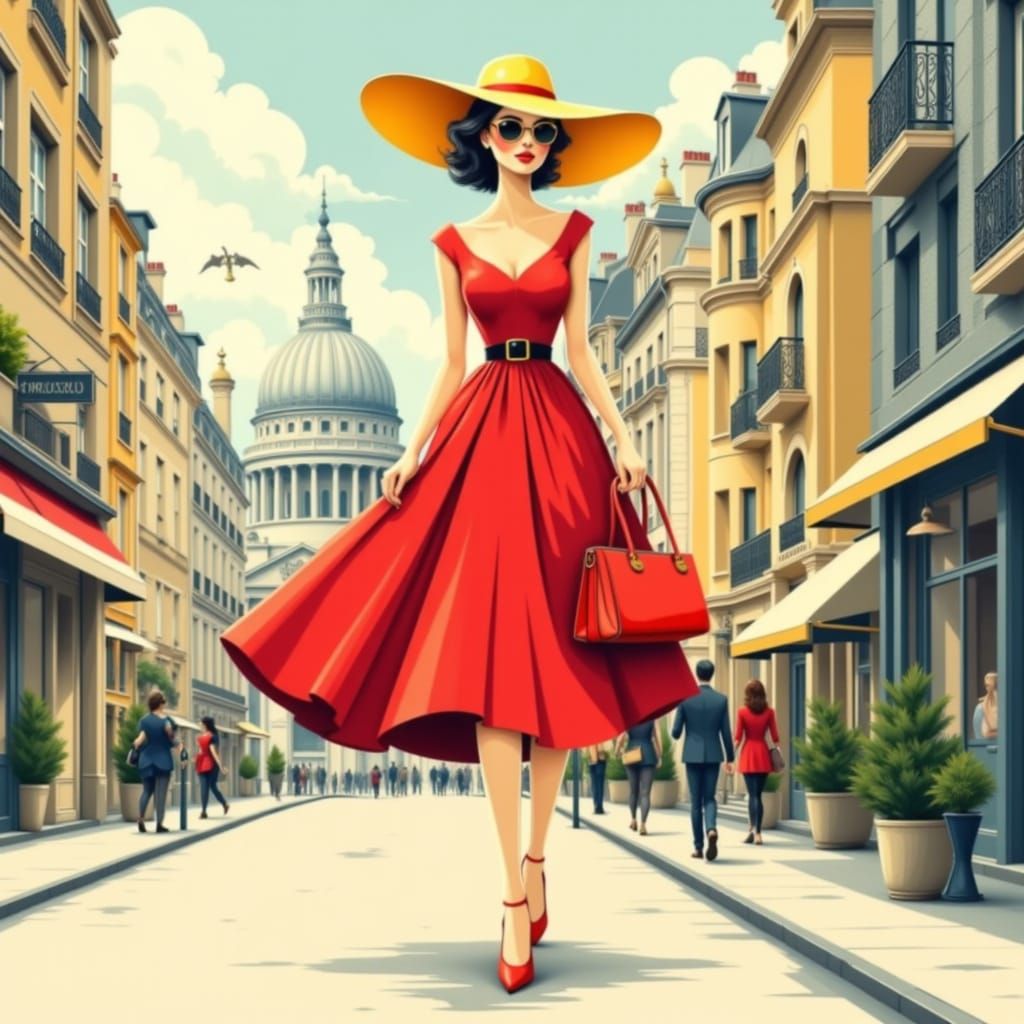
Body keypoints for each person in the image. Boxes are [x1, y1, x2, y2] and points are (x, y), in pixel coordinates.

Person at [219, 53, 701, 995]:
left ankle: (538, 860)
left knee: (561, 656)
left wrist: (622, 439)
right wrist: (411, 452)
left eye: (541, 131)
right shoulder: (453, 241)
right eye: (509, 128)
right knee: (488, 667)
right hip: (482, 431)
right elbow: (447, 361)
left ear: (552, 144)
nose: (525, 142)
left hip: (559, 433)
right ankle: (512, 892)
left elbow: (588, 362)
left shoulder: (572, 233)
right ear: (482, 137)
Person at [671, 659, 734, 861]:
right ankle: (712, 829)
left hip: (692, 755)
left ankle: (698, 847)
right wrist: (730, 758)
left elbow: (675, 732)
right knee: (710, 798)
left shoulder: (686, 699)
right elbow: (726, 731)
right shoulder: (721, 700)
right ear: (712, 674)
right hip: (714, 754)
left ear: (697, 675)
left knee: (695, 802)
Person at [734, 679, 780, 846]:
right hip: (762, 754)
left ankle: (753, 830)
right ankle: (757, 832)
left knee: (751, 795)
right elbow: (775, 737)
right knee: (758, 795)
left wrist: (730, 757)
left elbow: (738, 737)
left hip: (748, 754)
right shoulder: (769, 712)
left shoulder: (742, 712)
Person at [131, 689, 183, 833]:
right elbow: (172, 738)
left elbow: (140, 739)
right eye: (163, 702)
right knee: (160, 794)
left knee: (146, 791)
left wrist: (135, 744)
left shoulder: (144, 720)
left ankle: (140, 818)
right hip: (163, 761)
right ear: (160, 704)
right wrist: (181, 751)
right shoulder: (166, 720)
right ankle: (159, 824)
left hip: (146, 760)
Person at [615, 718, 661, 836]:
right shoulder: (654, 717)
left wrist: (617, 751)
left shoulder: (629, 717)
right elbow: (657, 739)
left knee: (633, 791)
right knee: (645, 793)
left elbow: (620, 738)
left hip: (631, 754)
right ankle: (643, 825)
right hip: (648, 755)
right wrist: (659, 756)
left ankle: (633, 820)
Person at [194, 715, 230, 819]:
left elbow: (214, 752)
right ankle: (219, 805)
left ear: (205, 724)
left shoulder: (212, 736)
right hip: (203, 763)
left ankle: (205, 811)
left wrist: (221, 766)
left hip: (211, 765)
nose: (199, 724)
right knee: (208, 787)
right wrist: (195, 759)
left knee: (209, 787)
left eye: (200, 722)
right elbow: (201, 751)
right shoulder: (201, 737)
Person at [585, 743, 609, 814]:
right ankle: (599, 807)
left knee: (594, 783)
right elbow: (607, 746)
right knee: (599, 783)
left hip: (591, 758)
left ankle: (596, 806)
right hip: (600, 758)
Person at [973, 672, 998, 740]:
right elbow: (981, 737)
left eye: (996, 686)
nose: (994, 691)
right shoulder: (980, 709)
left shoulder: (1007, 707)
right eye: (987, 686)